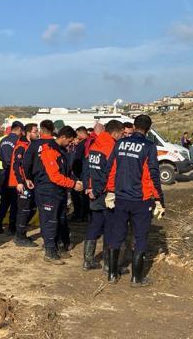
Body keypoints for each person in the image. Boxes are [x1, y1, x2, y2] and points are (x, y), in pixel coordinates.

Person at [104, 114, 165, 286]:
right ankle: (136, 278)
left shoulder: (120, 143)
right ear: (148, 129)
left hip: (120, 198)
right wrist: (160, 200)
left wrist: (110, 191)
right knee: (140, 238)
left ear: (133, 126)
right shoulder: (149, 146)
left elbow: (111, 169)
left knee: (117, 235)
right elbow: (153, 175)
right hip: (141, 200)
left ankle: (112, 274)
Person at [25, 121, 83, 264]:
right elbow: (54, 176)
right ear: (63, 137)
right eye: (70, 141)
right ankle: (50, 252)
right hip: (47, 191)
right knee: (49, 221)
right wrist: (73, 184)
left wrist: (72, 181)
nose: (70, 145)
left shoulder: (60, 150)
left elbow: (65, 171)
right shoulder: (49, 150)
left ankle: (56, 247)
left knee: (59, 219)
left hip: (58, 191)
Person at [82, 119, 124, 271]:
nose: (122, 137)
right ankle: (108, 264)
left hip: (93, 191)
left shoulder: (94, 145)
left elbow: (86, 167)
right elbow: (108, 174)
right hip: (105, 193)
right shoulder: (111, 147)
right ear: (115, 133)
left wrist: (88, 187)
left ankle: (88, 260)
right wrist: (98, 190)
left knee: (95, 224)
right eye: (122, 133)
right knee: (110, 227)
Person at [10, 123, 39, 247]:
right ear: (28, 133)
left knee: (30, 208)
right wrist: (20, 182)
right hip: (22, 183)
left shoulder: (30, 145)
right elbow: (16, 165)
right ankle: (20, 236)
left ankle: (21, 233)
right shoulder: (21, 146)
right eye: (35, 132)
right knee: (24, 209)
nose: (37, 134)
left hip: (30, 182)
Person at [0, 121, 23, 234]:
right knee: (14, 201)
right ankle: (11, 227)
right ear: (19, 130)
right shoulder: (17, 141)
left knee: (4, 201)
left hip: (4, 172)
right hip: (14, 174)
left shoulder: (2, 140)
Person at [69, 126, 90, 222]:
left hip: (79, 174)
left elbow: (77, 160)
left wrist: (77, 175)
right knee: (82, 196)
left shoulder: (83, 144)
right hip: (83, 173)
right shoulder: (89, 141)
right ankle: (82, 214)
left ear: (79, 133)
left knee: (78, 196)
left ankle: (80, 214)